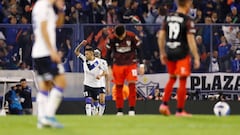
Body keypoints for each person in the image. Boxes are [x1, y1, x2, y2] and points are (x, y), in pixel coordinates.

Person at [158, 0, 200, 117]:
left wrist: (162, 52)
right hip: (181, 53)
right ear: (187, 4)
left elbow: (161, 36)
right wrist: (196, 57)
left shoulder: (168, 18)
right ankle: (180, 111)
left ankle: (164, 104)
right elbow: (191, 40)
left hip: (169, 51)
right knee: (182, 80)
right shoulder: (187, 20)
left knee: (171, 78)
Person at [32, 0, 66, 128]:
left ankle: (42, 119)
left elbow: (58, 24)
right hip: (45, 52)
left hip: (40, 52)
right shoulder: (43, 6)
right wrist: (52, 51)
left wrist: (61, 10)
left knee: (45, 86)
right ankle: (48, 116)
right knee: (61, 82)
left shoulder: (48, 7)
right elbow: (43, 28)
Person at [106, 25, 145, 116]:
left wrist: (141, 64)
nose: (120, 38)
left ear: (125, 32)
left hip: (131, 64)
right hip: (118, 65)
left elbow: (139, 50)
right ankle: (119, 110)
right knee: (118, 87)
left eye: (122, 36)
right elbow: (108, 54)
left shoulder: (131, 36)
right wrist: (109, 68)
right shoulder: (111, 38)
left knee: (132, 86)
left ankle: (132, 109)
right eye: (118, 37)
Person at [74, 40, 106, 116]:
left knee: (96, 103)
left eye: (87, 54)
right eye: (85, 54)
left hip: (96, 86)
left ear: (92, 54)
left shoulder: (99, 62)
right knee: (88, 100)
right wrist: (81, 45)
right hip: (87, 85)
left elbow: (105, 71)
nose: (85, 55)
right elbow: (76, 51)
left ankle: (97, 113)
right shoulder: (84, 60)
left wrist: (100, 76)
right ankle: (88, 117)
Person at [94, 48, 110, 116]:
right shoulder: (91, 63)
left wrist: (108, 86)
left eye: (98, 55)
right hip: (93, 84)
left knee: (102, 100)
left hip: (101, 84)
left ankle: (100, 115)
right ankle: (95, 112)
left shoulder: (103, 62)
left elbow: (106, 74)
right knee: (95, 99)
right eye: (95, 55)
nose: (97, 56)